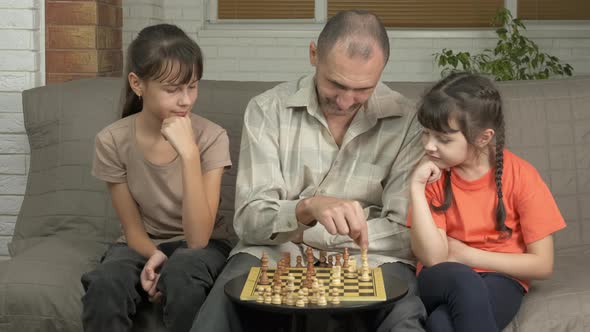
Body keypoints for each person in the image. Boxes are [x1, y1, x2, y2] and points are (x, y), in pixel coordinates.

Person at [191, 10, 426, 332]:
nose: (345, 101)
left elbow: (406, 233)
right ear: (314, 54)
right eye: (336, 84)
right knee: (220, 311)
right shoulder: (267, 109)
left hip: (371, 260)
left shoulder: (409, 120)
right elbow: (248, 221)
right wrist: (306, 209)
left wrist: (307, 232)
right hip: (273, 252)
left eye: (362, 90)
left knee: (403, 319)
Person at [80, 24, 234, 332]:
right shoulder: (111, 140)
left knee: (183, 272)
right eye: (172, 89)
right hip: (142, 244)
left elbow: (198, 239)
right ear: (138, 84)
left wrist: (189, 154)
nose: (186, 100)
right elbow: (133, 230)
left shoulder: (212, 137)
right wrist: (157, 255)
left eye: (192, 86)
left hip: (204, 246)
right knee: (105, 283)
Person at [408, 72, 566, 332]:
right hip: (442, 277)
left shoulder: (522, 176)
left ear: (483, 137)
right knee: (462, 279)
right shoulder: (431, 174)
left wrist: (467, 255)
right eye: (425, 134)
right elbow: (435, 258)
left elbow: (543, 264)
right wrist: (415, 186)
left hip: (501, 279)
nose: (429, 146)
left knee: (440, 324)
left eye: (443, 139)